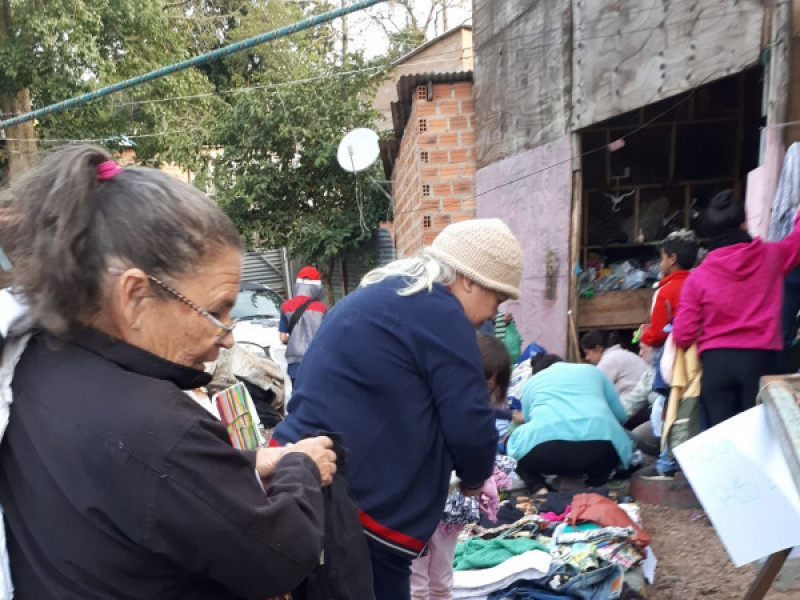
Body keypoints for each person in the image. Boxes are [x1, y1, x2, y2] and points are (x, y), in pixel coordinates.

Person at [0, 145, 338, 599]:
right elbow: (282, 557)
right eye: (217, 311)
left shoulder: (33, 364)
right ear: (135, 295)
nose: (229, 338)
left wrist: (244, 465)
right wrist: (301, 467)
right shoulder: (158, 427)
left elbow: (128, 488)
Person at [271, 218, 524, 600]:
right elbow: (471, 425)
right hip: (358, 513)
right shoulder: (443, 313)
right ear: (468, 280)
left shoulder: (380, 295)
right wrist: (473, 480)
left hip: (300, 478)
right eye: (497, 298)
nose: (493, 314)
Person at [672, 189, 800, 427]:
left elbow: (682, 335)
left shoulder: (698, 277)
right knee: (764, 442)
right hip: (761, 363)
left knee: (727, 446)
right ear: (743, 224)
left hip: (716, 367)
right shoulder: (771, 256)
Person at [409, 332, 512, 600]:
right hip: (414, 505)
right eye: (477, 383)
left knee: (441, 576)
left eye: (488, 389)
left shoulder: (479, 418)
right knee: (416, 580)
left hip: (449, 508)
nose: (480, 394)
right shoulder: (423, 404)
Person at [506, 354, 633, 494]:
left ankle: (540, 491)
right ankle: (594, 488)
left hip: (546, 452)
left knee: (511, 444)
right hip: (600, 449)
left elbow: (530, 422)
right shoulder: (593, 371)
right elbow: (620, 416)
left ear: (537, 372)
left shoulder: (532, 383)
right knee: (620, 438)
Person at [279, 265, 327, 384]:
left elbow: (283, 338)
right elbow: (328, 337)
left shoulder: (286, 307)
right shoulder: (322, 309)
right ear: (316, 287)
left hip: (294, 367)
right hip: (317, 364)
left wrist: (295, 339)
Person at [580, 329, 648, 397]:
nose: (587, 358)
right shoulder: (619, 354)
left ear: (597, 348)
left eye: (587, 353)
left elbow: (594, 389)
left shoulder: (610, 359)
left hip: (634, 401)